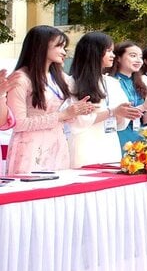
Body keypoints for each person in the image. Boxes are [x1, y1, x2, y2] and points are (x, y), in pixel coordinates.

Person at [5, 26, 95, 173]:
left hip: (57, 143)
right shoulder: (21, 79)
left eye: (64, 47)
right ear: (40, 46)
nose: (64, 52)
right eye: (59, 46)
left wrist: (77, 111)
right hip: (31, 147)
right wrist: (63, 115)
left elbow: (64, 114)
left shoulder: (60, 77)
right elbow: (19, 124)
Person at [68, 32, 144, 167]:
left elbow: (121, 122)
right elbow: (78, 122)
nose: (113, 55)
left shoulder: (112, 82)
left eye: (112, 51)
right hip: (85, 145)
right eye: (108, 51)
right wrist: (112, 112)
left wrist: (122, 113)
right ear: (94, 52)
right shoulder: (72, 83)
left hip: (110, 143)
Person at [108, 41, 147, 151]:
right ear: (118, 58)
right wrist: (144, 107)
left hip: (138, 137)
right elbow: (118, 114)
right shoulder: (111, 82)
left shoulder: (140, 83)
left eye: (140, 57)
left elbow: (145, 120)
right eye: (133, 56)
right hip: (119, 135)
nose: (138, 60)